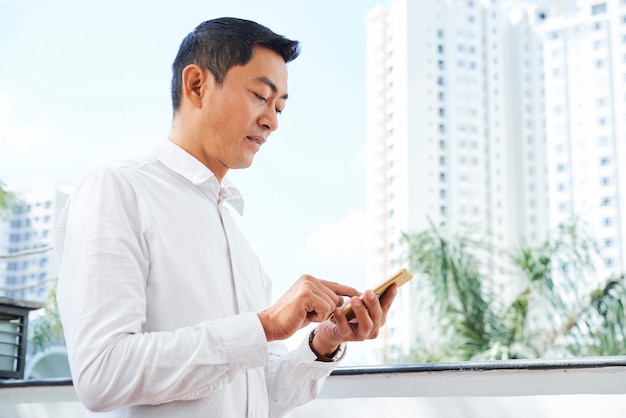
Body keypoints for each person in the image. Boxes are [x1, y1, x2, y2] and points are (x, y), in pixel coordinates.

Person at [55, 17, 397, 418]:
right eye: (259, 96)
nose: (272, 121)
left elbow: (259, 395)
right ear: (197, 85)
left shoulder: (239, 242)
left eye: (280, 107)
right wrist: (265, 325)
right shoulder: (117, 190)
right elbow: (102, 374)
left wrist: (324, 340)